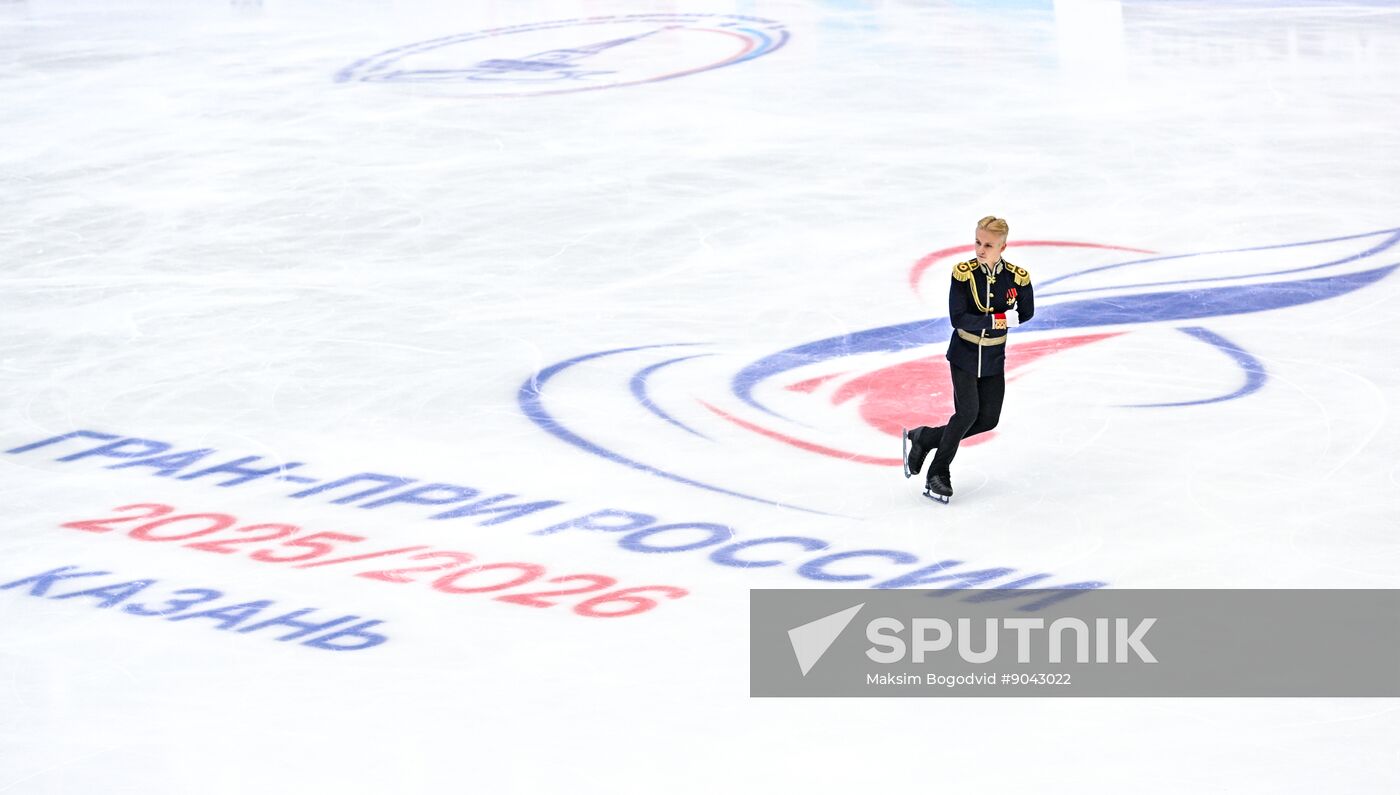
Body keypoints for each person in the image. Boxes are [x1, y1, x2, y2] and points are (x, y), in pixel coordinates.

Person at [902, 216, 1034, 504]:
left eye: (988, 245)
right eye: (978, 242)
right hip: (965, 353)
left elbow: (1027, 312)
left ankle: (926, 437)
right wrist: (999, 319)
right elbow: (958, 318)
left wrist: (1015, 314)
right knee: (967, 413)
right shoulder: (964, 275)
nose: (981, 249)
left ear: (1002, 247)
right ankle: (938, 472)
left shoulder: (1016, 277)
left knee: (988, 419)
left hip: (994, 356)